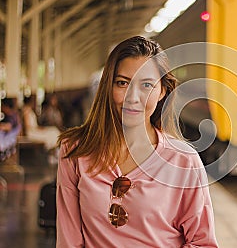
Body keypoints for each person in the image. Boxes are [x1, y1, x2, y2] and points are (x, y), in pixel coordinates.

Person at [56, 36, 218, 247]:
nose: (133, 97)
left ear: (162, 92)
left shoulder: (183, 161)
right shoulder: (75, 150)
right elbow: (68, 241)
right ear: (108, 87)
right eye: (122, 83)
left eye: (147, 85)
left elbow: (202, 242)